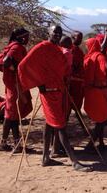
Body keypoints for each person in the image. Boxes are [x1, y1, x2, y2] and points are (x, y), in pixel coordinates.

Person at [18, 25, 91, 171]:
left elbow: (62, 70)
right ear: (48, 33)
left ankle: (45, 157)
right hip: (49, 93)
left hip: (59, 91)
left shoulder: (58, 50)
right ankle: (74, 162)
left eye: (59, 33)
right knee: (60, 126)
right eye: (54, 32)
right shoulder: (41, 47)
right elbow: (23, 65)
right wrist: (39, 84)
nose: (57, 35)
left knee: (50, 124)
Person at [83, 37, 107, 150]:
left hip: (90, 92)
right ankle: (90, 145)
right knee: (102, 119)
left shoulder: (87, 58)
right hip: (99, 91)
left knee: (98, 118)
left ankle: (100, 143)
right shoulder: (100, 57)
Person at [0, 27, 33, 152]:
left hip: (13, 85)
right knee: (11, 114)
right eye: (27, 37)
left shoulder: (13, 45)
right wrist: (16, 71)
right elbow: (6, 61)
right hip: (15, 85)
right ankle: (5, 143)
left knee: (13, 114)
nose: (28, 40)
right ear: (21, 37)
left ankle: (16, 143)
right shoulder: (17, 47)